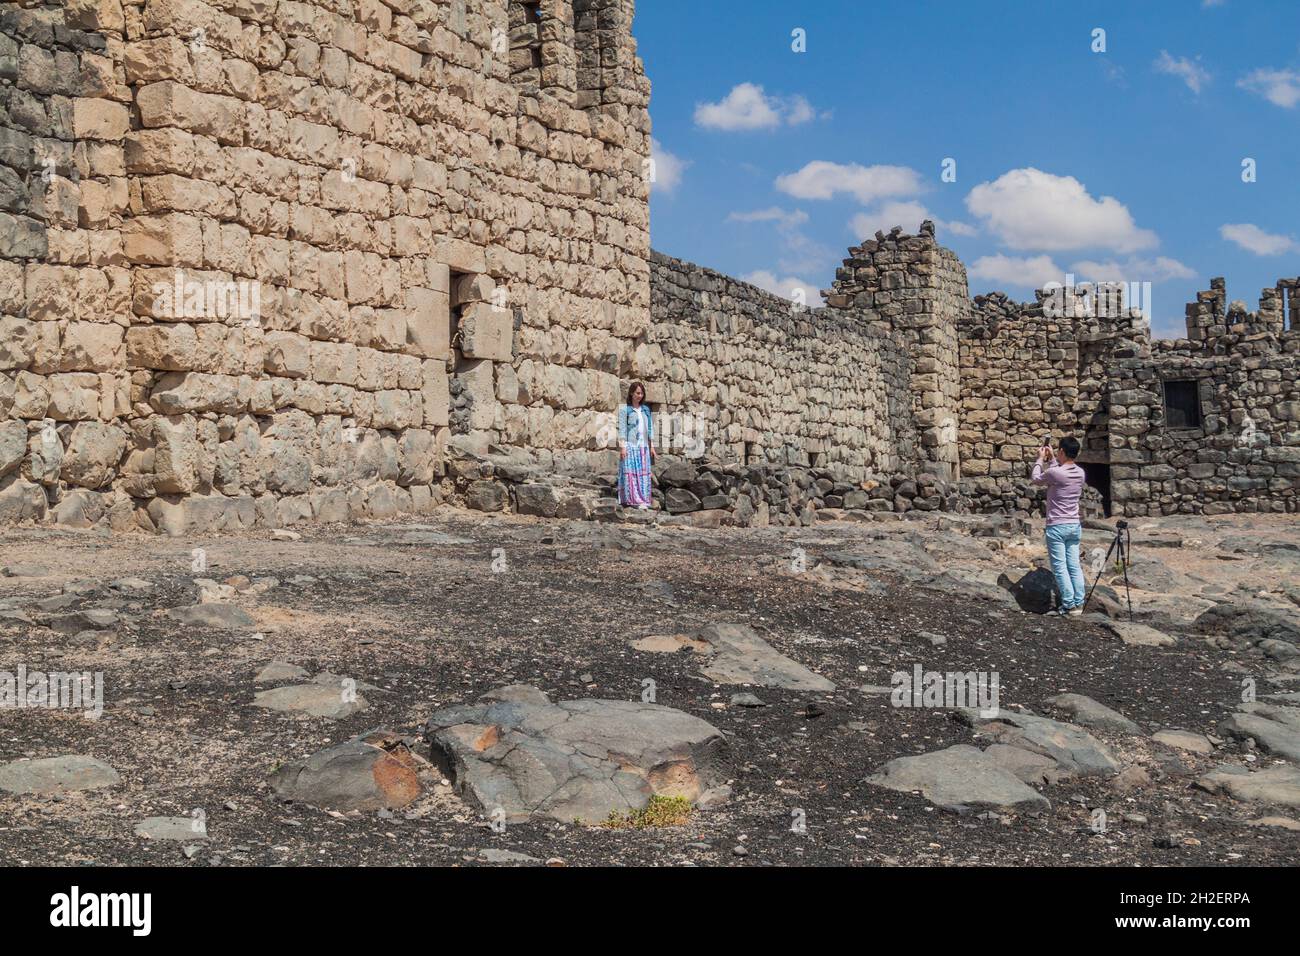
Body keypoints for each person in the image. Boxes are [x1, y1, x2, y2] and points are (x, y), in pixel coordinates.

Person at [1032, 436, 1087, 616]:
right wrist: (1053, 459)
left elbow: (1036, 478)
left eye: (1058, 450)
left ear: (1062, 451)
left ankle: (1069, 604)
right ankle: (1079, 602)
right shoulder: (1080, 473)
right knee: (1074, 565)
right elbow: (1059, 471)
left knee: (1060, 566)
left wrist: (1040, 459)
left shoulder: (1056, 473)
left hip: (1057, 526)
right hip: (1074, 525)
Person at [617, 382, 655, 510]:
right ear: (631, 393)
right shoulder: (624, 410)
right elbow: (622, 429)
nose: (640, 395)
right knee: (631, 473)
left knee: (643, 474)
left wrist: (652, 446)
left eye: (641, 393)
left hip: (643, 446)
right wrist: (623, 447)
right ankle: (631, 499)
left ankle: (643, 500)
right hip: (630, 446)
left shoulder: (646, 410)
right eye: (637, 393)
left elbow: (650, 428)